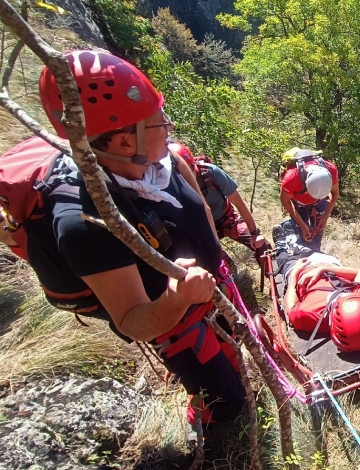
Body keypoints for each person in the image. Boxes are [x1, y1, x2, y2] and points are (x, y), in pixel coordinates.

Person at [36, 50, 246, 424]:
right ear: (121, 142)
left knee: (238, 356)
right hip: (175, 320)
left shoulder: (171, 162)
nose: (169, 127)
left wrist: (221, 272)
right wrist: (176, 298)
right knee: (227, 407)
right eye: (159, 121)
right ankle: (200, 415)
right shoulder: (84, 223)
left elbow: (203, 225)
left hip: (213, 290)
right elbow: (132, 321)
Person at [274, 226, 360, 353]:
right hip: (327, 263)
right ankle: (297, 239)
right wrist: (325, 268)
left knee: (284, 260)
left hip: (301, 270)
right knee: (310, 250)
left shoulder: (308, 316)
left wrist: (295, 274)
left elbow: (291, 308)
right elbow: (358, 273)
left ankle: (282, 246)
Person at [168, 142, 270, 264]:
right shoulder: (174, 187)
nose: (188, 175)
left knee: (263, 247)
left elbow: (239, 203)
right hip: (205, 229)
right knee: (218, 263)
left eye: (189, 169)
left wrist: (255, 233)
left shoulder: (210, 173)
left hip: (228, 220)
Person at [279, 147, 339, 251]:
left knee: (318, 231)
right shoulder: (291, 179)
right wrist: (302, 225)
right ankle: (304, 252)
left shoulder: (331, 169)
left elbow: (334, 193)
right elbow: (285, 201)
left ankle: (315, 251)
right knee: (303, 234)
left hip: (320, 202)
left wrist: (325, 217)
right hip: (298, 204)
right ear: (306, 184)